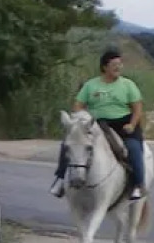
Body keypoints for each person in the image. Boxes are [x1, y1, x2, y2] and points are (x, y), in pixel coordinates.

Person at [50, 46, 147, 201]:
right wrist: (81, 119)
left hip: (123, 124)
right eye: (114, 64)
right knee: (70, 144)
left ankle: (138, 184)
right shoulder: (91, 85)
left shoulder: (128, 85)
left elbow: (137, 109)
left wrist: (132, 125)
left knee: (134, 148)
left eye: (120, 64)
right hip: (97, 124)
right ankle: (60, 178)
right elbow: (78, 105)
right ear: (104, 67)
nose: (118, 67)